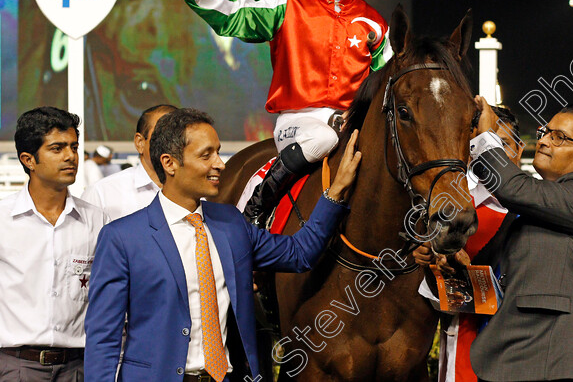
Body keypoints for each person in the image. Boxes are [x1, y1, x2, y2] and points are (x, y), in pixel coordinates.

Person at [84, 108, 361, 382]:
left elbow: (300, 254)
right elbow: (103, 341)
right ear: (169, 163)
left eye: (217, 151)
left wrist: (334, 193)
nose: (220, 164)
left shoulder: (231, 224)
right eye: (206, 155)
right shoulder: (121, 237)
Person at [169, 0, 390, 227]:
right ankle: (259, 205)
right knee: (324, 138)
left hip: (353, 128)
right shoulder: (286, 6)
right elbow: (229, 15)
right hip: (300, 125)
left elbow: (390, 84)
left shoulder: (376, 23)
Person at [468, 97, 573, 382]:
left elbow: (514, 187)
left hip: (568, 364)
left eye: (559, 137)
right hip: (512, 362)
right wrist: (444, 264)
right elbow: (482, 279)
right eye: (545, 132)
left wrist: (487, 139)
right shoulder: (528, 211)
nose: (544, 141)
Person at [414, 106, 524, 382]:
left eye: (502, 144)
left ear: (519, 150)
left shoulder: (535, 211)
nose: (491, 154)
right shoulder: (452, 212)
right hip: (458, 353)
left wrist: (467, 269)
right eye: (481, 144)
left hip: (515, 355)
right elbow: (437, 301)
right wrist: (430, 266)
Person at [0, 107, 110, 381]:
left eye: (73, 146)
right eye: (57, 148)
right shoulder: (3, 219)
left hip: (79, 368)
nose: (70, 156)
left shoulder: (98, 222)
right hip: (16, 367)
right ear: (29, 160)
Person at [82, 104, 177, 218]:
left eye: (179, 137)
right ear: (140, 143)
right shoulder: (102, 194)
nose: (173, 143)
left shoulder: (197, 192)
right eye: (163, 136)